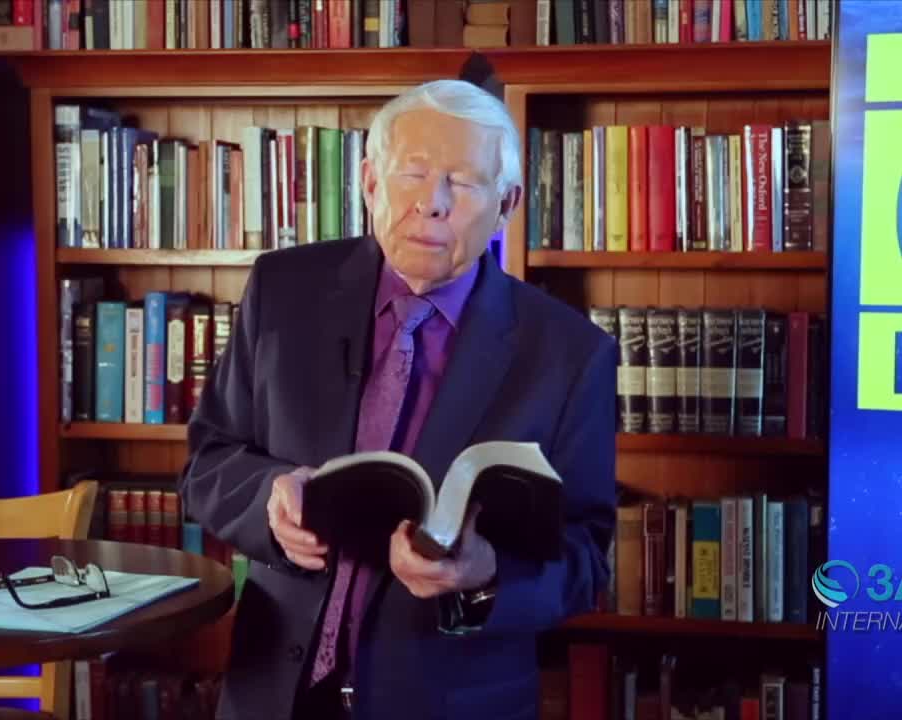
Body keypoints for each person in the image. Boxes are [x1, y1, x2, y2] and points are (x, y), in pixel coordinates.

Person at [179, 78, 617, 720]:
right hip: (273, 694)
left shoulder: (570, 353)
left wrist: (485, 572)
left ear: (507, 204)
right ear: (369, 182)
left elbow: (586, 560)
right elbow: (207, 463)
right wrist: (269, 499)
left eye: (462, 183)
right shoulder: (283, 289)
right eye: (412, 173)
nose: (431, 204)